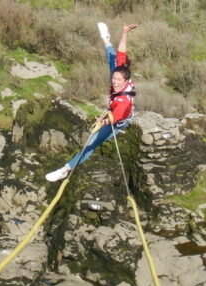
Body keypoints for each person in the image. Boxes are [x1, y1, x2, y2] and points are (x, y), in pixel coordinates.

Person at [45, 23, 137, 182]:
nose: (114, 82)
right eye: (114, 79)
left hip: (118, 121)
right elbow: (122, 50)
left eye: (117, 80)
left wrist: (103, 121)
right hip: (115, 108)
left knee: (91, 143)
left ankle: (65, 169)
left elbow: (116, 117)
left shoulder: (123, 102)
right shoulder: (121, 75)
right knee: (113, 60)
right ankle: (106, 40)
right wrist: (124, 33)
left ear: (126, 80)